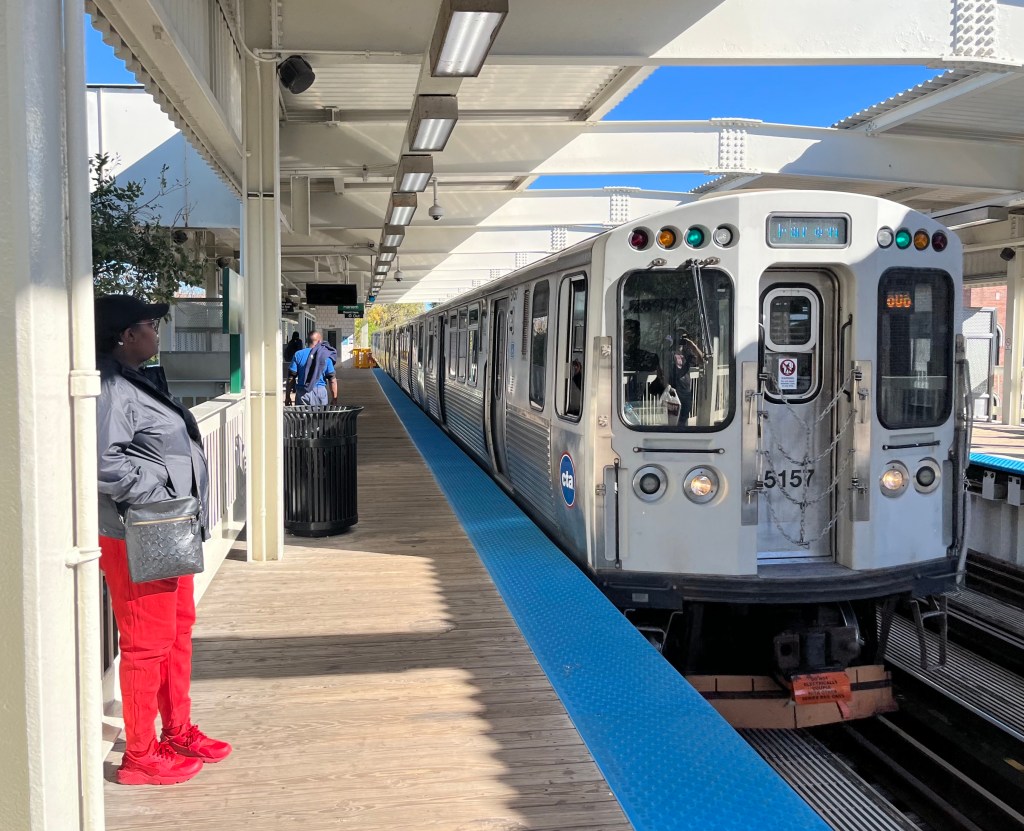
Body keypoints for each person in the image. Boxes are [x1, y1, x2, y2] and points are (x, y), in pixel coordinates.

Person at [94, 294, 232, 786]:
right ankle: (140, 755)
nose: (158, 333)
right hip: (137, 532)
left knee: (176, 633)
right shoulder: (111, 387)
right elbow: (104, 463)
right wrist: (163, 492)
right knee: (146, 644)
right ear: (127, 336)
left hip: (168, 528)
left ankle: (176, 730)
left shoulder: (138, 380)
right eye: (151, 325)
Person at [285, 329, 338, 406]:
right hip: (320, 393)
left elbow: (291, 377)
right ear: (319, 342)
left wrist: (287, 397)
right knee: (319, 417)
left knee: (302, 417)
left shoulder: (298, 354)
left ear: (307, 341)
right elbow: (332, 380)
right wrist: (334, 399)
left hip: (302, 393)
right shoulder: (325, 356)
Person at [666, 329, 705, 422]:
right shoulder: (669, 352)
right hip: (673, 392)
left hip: (686, 391)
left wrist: (693, 345)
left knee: (684, 419)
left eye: (684, 337)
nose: (681, 339)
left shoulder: (688, 352)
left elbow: (702, 361)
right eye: (678, 337)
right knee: (673, 420)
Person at [622, 318, 664, 401]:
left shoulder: (645, 356)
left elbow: (654, 360)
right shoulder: (615, 355)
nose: (632, 339)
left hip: (639, 402)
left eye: (635, 335)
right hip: (618, 399)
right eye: (628, 335)